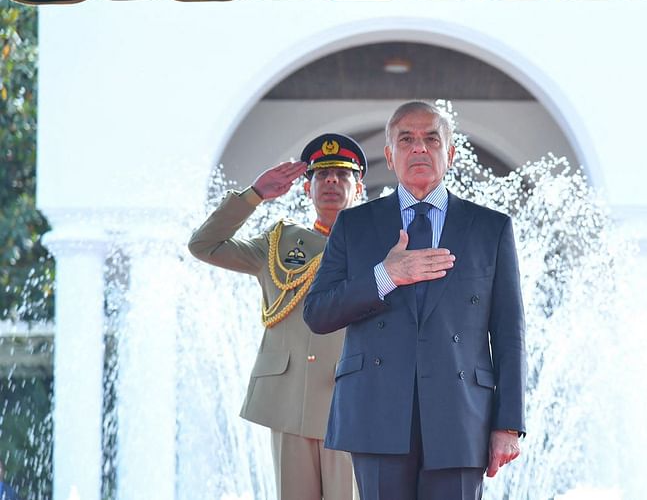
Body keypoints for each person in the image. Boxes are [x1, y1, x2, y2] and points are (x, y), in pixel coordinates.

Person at [304, 101, 526, 499]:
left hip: (461, 416)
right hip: (376, 413)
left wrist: (507, 425)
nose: (419, 148)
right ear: (390, 156)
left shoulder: (490, 228)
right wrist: (385, 276)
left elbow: (509, 333)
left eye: (431, 139)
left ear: (450, 153)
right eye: (406, 139)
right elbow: (318, 312)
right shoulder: (354, 225)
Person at [188, 133, 367, 500]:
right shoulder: (280, 242)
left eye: (341, 174)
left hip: (350, 402)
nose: (331, 181)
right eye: (321, 175)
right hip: (290, 400)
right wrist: (255, 194)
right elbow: (204, 245)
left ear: (359, 187)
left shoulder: (379, 245)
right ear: (306, 188)